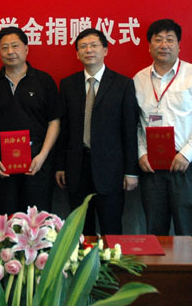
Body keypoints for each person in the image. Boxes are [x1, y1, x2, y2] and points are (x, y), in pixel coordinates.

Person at [134, 19, 192, 236]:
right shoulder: (139, 79)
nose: (164, 45)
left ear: (179, 45)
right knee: (155, 229)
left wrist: (186, 154)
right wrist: (141, 154)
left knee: (187, 229)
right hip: (151, 167)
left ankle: (189, 262)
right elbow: (136, 124)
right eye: (158, 40)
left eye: (170, 40)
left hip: (186, 164)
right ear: (149, 46)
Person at [56, 28, 139, 235]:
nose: (89, 50)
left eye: (94, 45)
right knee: (80, 231)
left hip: (111, 170)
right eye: (83, 47)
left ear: (105, 50)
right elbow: (64, 129)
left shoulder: (123, 84)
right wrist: (60, 166)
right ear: (77, 53)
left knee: (111, 228)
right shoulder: (68, 84)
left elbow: (130, 130)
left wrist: (131, 171)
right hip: (77, 168)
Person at [0, 26, 61, 215]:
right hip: (1, 164)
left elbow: (54, 121)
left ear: (26, 49)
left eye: (15, 46)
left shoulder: (44, 81)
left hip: (37, 163)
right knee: (5, 219)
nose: (10, 52)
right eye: (4, 47)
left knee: (37, 221)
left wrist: (43, 155)